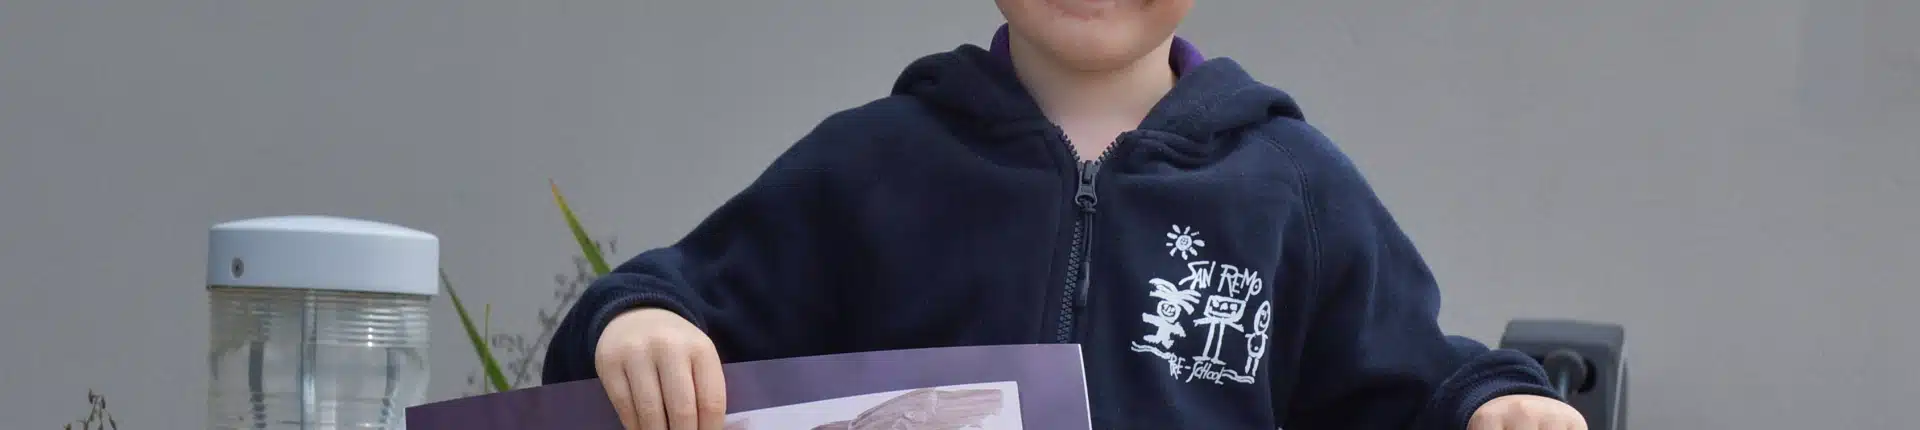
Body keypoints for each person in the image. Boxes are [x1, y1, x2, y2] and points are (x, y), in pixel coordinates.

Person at [543, 1, 1589, 429]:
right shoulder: (870, 164)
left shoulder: (1292, 189)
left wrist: (1492, 405)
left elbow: (1409, 383)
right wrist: (638, 324)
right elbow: (683, 305)